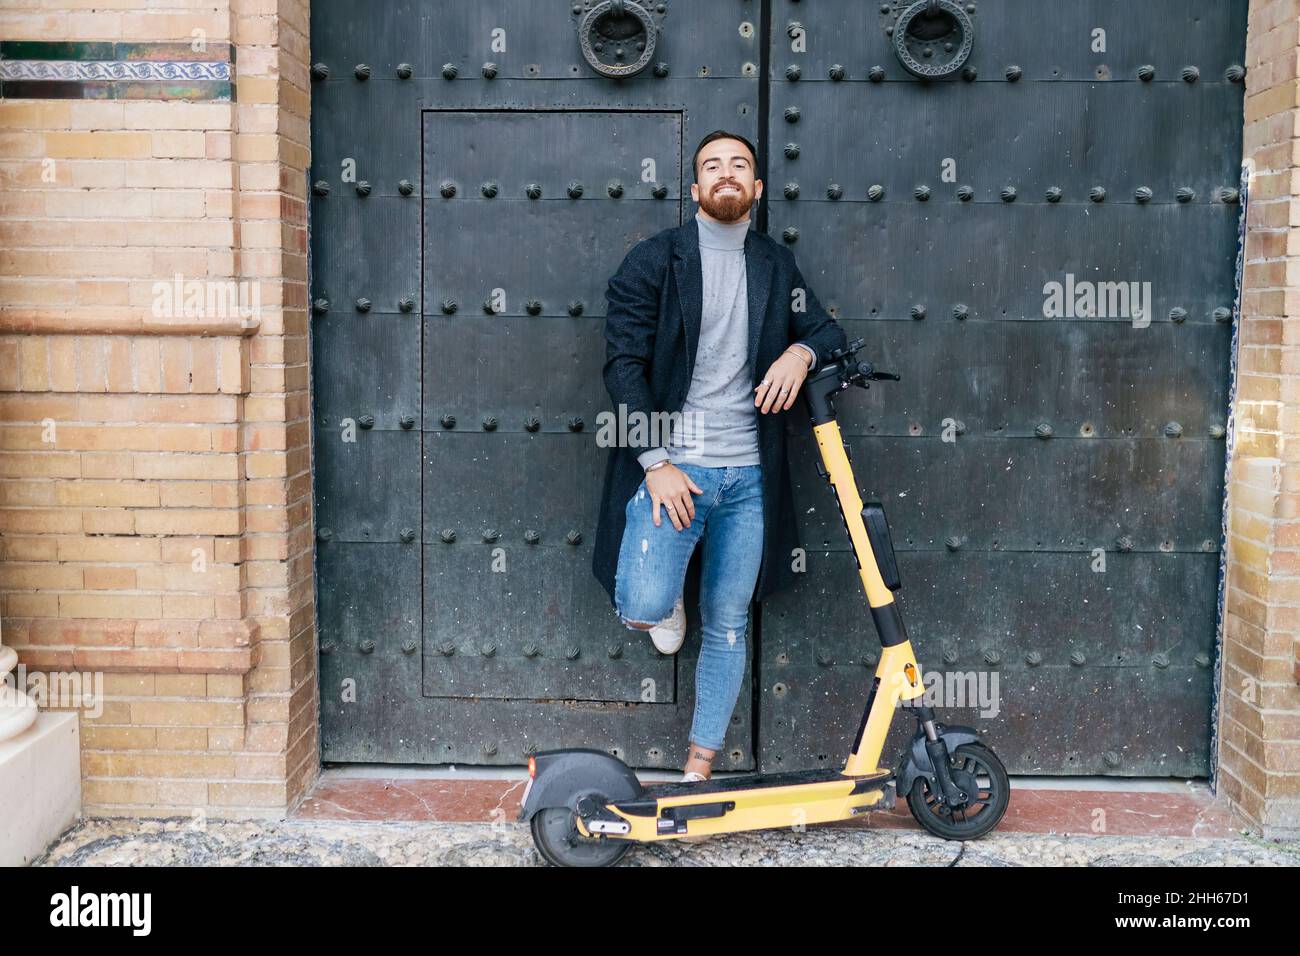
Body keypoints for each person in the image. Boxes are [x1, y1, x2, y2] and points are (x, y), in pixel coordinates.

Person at [592, 129, 847, 782]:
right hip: (674, 470)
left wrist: (801, 351)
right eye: (713, 166)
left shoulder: (774, 264)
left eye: (741, 166)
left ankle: (698, 770)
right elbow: (623, 367)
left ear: (757, 188)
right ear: (696, 187)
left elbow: (824, 329)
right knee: (644, 607)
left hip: (748, 481)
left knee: (728, 625)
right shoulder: (653, 262)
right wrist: (656, 463)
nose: (727, 173)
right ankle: (670, 592)